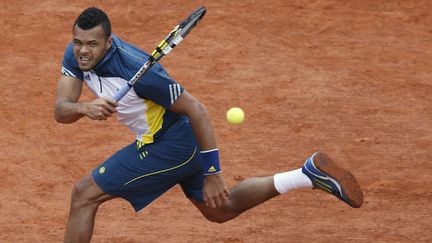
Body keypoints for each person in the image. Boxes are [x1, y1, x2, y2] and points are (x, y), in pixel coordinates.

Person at [55, 7, 364, 243]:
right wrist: (84, 107)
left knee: (84, 194)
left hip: (174, 142)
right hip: (166, 140)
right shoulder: (76, 55)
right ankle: (306, 175)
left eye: (92, 44)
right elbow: (61, 111)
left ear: (108, 42)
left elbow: (197, 110)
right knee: (221, 210)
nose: (84, 50)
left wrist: (213, 171)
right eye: (79, 42)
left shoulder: (139, 70)